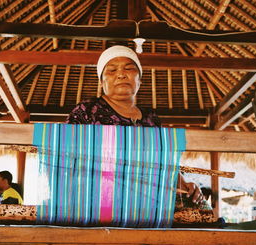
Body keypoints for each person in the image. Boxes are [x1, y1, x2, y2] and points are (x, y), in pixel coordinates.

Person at [67, 45, 202, 204]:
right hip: (98, 201)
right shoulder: (86, 110)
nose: (121, 74)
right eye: (111, 70)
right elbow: (65, 158)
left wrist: (185, 185)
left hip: (145, 203)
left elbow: (165, 163)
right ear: (102, 81)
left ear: (139, 79)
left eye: (129, 68)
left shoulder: (151, 118)